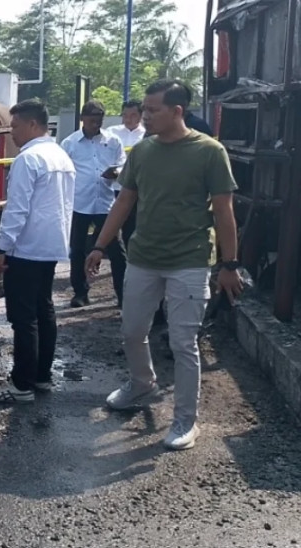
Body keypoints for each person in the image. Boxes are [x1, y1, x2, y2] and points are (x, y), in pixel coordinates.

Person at [86, 79, 242, 451]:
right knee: (131, 331)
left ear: (177, 111)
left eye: (153, 110)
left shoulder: (209, 152)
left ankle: (185, 420)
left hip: (189, 260)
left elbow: (224, 211)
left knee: (183, 342)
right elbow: (124, 201)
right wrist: (99, 246)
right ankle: (142, 382)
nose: (145, 116)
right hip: (143, 257)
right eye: (144, 109)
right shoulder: (142, 151)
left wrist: (229, 264)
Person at [0, 99, 75, 403]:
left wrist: (0, 249)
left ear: (33, 124)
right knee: (43, 310)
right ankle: (41, 376)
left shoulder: (28, 159)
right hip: (51, 244)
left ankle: (21, 384)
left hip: (27, 246)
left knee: (24, 317)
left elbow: (16, 211)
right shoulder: (61, 155)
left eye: (16, 126)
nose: (12, 133)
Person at [61, 100, 128, 309]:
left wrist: (116, 173)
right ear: (82, 119)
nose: (95, 125)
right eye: (91, 121)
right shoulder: (70, 143)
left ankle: (122, 295)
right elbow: (64, 173)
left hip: (106, 203)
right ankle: (80, 293)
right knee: (78, 249)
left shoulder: (113, 141)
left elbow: (123, 164)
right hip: (80, 202)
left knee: (116, 250)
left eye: (98, 121)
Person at [107, 100, 145, 248]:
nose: (128, 119)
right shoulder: (111, 132)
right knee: (111, 228)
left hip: (134, 189)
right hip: (113, 188)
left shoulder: (146, 135)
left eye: (133, 115)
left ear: (141, 116)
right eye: (125, 115)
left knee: (131, 228)